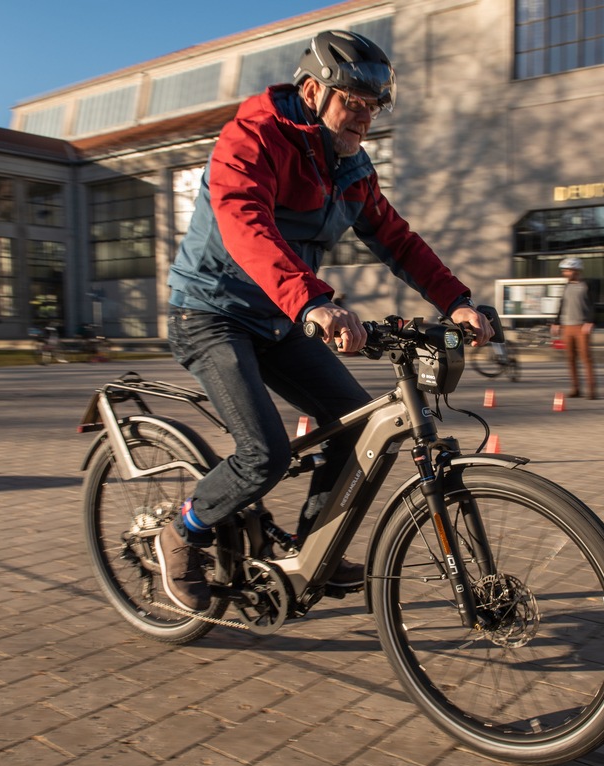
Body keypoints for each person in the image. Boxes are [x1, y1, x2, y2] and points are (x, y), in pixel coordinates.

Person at [158, 30, 492, 612]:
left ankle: (317, 549)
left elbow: (397, 239)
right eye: (352, 103)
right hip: (211, 311)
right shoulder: (253, 137)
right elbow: (244, 223)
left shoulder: (352, 168)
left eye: (372, 108)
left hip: (282, 317)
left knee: (356, 427)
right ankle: (183, 530)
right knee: (264, 453)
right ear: (313, 90)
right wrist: (312, 301)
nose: (362, 118)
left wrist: (455, 300)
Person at [551, 257, 596, 399]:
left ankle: (591, 390)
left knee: (585, 358)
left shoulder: (587, 285)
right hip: (567, 326)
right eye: (564, 271)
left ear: (576, 270)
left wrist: (590, 321)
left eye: (568, 270)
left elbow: (593, 305)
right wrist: (556, 323)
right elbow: (562, 305)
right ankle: (575, 389)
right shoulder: (566, 286)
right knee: (570, 358)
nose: (565, 273)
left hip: (581, 326)